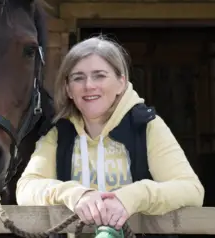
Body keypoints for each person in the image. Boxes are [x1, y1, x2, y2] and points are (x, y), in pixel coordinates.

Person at [16, 35, 204, 237]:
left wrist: (132, 197)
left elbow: (191, 190)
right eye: (78, 77)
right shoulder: (59, 133)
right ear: (69, 89)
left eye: (100, 75)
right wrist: (76, 195)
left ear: (121, 83)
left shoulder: (147, 126)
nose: (89, 85)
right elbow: (26, 188)